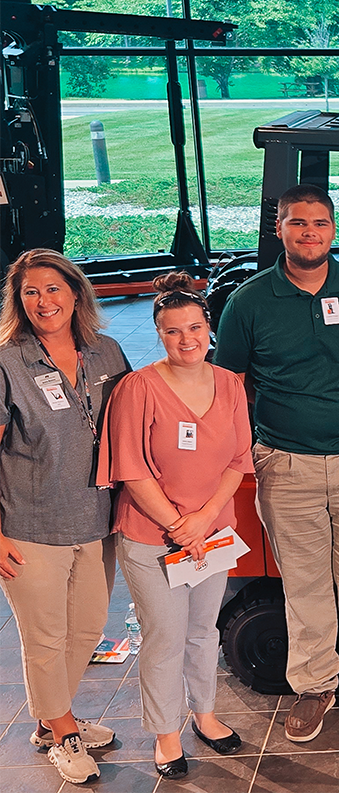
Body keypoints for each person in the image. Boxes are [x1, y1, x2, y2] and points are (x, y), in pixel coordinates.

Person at [214, 184, 339, 743]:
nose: (309, 233)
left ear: (333, 229)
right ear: (280, 228)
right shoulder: (248, 303)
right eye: (298, 223)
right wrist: (250, 452)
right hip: (286, 464)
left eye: (319, 223)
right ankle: (315, 685)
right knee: (305, 583)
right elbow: (229, 387)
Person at [98, 272, 251, 779]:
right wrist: (179, 526)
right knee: (165, 635)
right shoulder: (138, 388)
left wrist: (204, 520)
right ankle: (166, 735)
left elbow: (238, 460)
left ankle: (205, 716)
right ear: (159, 334)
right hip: (152, 537)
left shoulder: (230, 384)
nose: (187, 339)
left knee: (204, 631)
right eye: (172, 331)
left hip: (213, 534)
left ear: (210, 328)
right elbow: (132, 469)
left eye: (194, 328)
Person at [0, 249, 129, 784]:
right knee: (46, 636)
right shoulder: (8, 361)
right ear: (18, 301)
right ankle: (63, 731)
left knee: (87, 629)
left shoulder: (106, 352)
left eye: (53, 289)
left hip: (95, 520)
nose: (43, 301)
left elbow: (134, 425)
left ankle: (53, 719)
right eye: (30, 292)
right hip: (30, 525)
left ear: (76, 293)